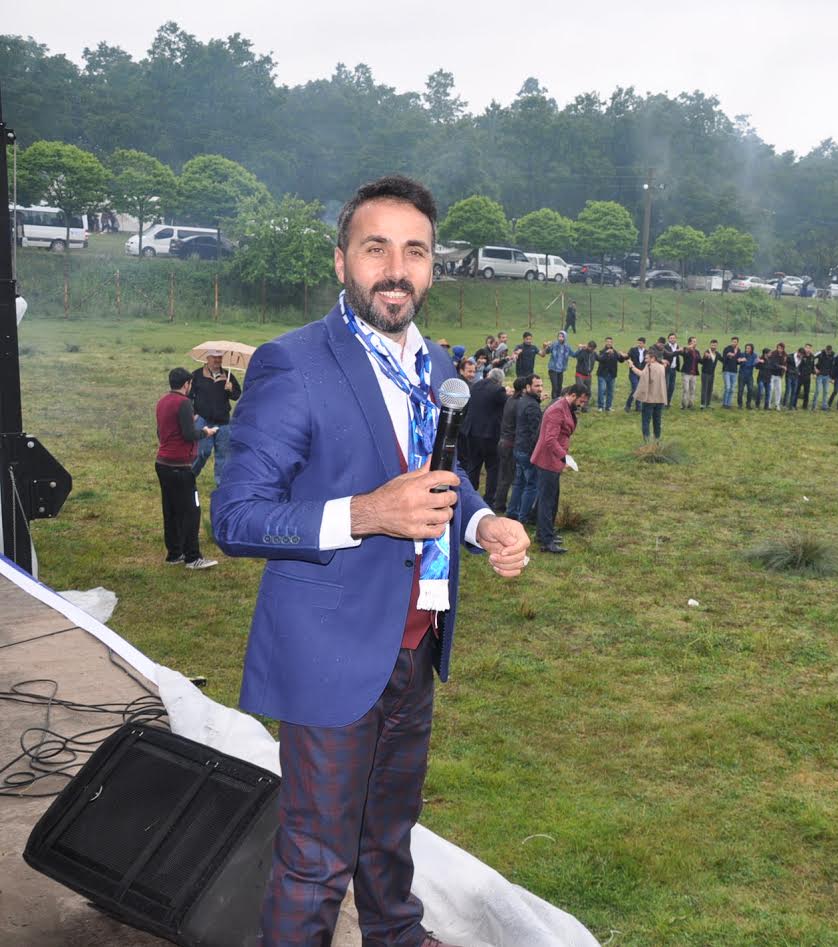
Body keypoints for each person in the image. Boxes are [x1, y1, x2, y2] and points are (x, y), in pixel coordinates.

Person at [212, 175, 530, 946]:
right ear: (340, 260)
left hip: (415, 642)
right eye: (375, 247)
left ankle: (395, 932)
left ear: (432, 267)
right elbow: (235, 515)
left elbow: (437, 473)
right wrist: (366, 513)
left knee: (390, 829)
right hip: (330, 648)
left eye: (414, 251)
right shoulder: (293, 363)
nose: (396, 268)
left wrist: (482, 521)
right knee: (316, 858)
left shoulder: (434, 361)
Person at [156, 367, 218, 569]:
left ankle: (174, 554)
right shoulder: (184, 403)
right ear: (186, 384)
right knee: (192, 511)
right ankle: (193, 558)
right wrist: (206, 432)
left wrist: (188, 423)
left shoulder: (162, 401)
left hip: (163, 463)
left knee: (171, 510)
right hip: (180, 466)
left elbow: (162, 431)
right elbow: (189, 435)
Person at [531, 382, 588, 554]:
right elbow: (550, 440)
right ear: (572, 395)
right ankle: (546, 541)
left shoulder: (565, 407)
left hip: (553, 461)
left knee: (550, 499)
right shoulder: (557, 410)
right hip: (548, 461)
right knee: (547, 501)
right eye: (581, 401)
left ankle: (543, 533)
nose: (582, 405)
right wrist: (565, 457)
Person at [189, 350, 241, 485]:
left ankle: (221, 485)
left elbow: (236, 395)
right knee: (202, 452)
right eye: (214, 357)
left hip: (223, 422)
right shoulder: (196, 375)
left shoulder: (228, 376)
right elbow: (188, 395)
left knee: (223, 456)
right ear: (207, 358)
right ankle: (189, 478)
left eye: (219, 357)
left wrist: (231, 389)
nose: (218, 360)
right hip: (203, 420)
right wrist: (192, 413)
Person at [462, 367, 506, 499]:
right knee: (492, 468)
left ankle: (470, 495)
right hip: (489, 435)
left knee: (473, 466)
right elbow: (506, 405)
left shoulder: (475, 386)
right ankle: (489, 498)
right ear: (499, 381)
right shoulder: (498, 390)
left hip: (471, 432)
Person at [508, 375, 547, 523]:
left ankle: (512, 512)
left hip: (518, 447)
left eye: (541, 385)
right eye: (537, 386)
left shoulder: (523, 400)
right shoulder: (532, 406)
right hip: (527, 451)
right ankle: (522, 518)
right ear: (528, 387)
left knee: (519, 483)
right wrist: (535, 454)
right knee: (532, 485)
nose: (540, 388)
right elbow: (535, 433)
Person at [492, 374, 527, 514]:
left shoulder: (510, 400)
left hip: (503, 441)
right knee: (507, 477)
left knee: (503, 475)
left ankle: (498, 501)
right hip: (510, 444)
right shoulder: (519, 404)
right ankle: (499, 505)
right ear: (524, 389)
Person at [632, 346, 669, 442]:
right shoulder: (662, 367)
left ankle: (647, 441)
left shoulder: (649, 367)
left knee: (646, 421)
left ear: (653, 358)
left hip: (649, 399)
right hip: (660, 398)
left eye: (647, 358)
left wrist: (632, 366)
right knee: (657, 421)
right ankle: (657, 440)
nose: (645, 360)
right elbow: (662, 365)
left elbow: (641, 374)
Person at [594, 337, 625, 413]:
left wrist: (622, 355)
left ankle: (608, 407)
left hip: (612, 375)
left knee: (610, 392)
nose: (609, 343)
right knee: (602, 390)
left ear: (612, 343)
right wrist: (606, 353)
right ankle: (600, 407)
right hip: (602, 374)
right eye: (607, 342)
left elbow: (621, 361)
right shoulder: (602, 351)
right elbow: (600, 359)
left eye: (610, 342)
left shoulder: (615, 352)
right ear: (605, 342)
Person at [543, 330, 574, 397]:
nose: (560, 338)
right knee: (555, 386)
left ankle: (558, 400)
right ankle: (554, 400)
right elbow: (547, 352)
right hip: (553, 369)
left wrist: (581, 350)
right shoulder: (554, 345)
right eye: (559, 336)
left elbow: (574, 354)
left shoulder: (567, 347)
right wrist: (546, 346)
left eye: (562, 336)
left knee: (559, 387)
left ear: (565, 337)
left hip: (561, 370)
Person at [624, 337, 648, 412]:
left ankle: (638, 406)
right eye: (638, 343)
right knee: (635, 388)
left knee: (640, 389)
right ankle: (628, 405)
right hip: (633, 372)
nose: (639, 344)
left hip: (642, 373)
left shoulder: (647, 352)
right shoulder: (633, 350)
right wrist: (627, 359)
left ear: (644, 344)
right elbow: (627, 356)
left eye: (640, 343)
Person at [721, 337, 741, 408]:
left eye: (735, 342)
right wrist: (728, 355)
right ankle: (724, 404)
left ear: (737, 342)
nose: (734, 343)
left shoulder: (738, 350)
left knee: (732, 389)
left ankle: (729, 404)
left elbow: (737, 362)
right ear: (731, 342)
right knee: (728, 387)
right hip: (727, 371)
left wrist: (740, 361)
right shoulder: (727, 349)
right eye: (733, 341)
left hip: (734, 371)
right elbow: (723, 360)